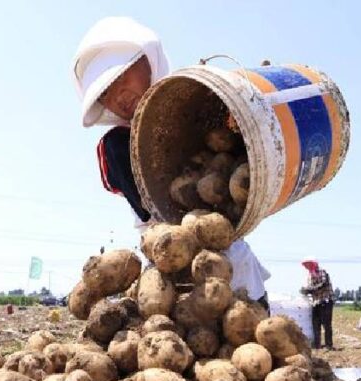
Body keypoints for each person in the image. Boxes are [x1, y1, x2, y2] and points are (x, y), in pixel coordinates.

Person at [72, 17, 271, 312]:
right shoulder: (116, 145)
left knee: (250, 320)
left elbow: (236, 164)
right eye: (106, 93)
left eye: (122, 78)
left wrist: (255, 104)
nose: (119, 96)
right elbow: (156, 208)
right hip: (170, 263)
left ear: (149, 61)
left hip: (229, 256)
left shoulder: (195, 108)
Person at [300, 259, 335, 349]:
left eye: (307, 265)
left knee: (326, 324)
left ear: (313, 264)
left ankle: (328, 345)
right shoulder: (310, 275)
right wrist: (305, 290)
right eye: (305, 265)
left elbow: (323, 284)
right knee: (315, 324)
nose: (306, 267)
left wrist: (310, 289)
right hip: (316, 302)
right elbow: (310, 287)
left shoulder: (322, 272)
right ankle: (317, 345)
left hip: (326, 300)